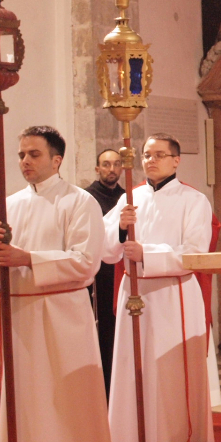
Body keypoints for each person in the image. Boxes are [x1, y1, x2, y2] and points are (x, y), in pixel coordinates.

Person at [0, 126, 115, 442]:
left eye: (33, 154)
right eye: (21, 154)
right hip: (18, 317)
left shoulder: (79, 202)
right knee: (27, 409)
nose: (24, 161)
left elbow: (87, 263)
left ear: (56, 159)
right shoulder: (8, 206)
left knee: (65, 403)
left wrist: (29, 258)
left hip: (62, 316)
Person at [103, 133, 215, 442]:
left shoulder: (193, 200)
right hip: (134, 292)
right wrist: (119, 229)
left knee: (167, 375)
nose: (150, 160)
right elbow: (105, 250)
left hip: (172, 294)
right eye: (146, 155)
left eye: (159, 155)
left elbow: (195, 252)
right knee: (133, 371)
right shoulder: (129, 198)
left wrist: (146, 254)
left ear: (176, 161)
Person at [85, 147, 125, 396]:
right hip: (99, 278)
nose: (112, 169)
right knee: (104, 335)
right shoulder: (87, 198)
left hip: (122, 274)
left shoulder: (126, 196)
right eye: (106, 164)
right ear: (97, 168)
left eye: (117, 164)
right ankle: (104, 390)